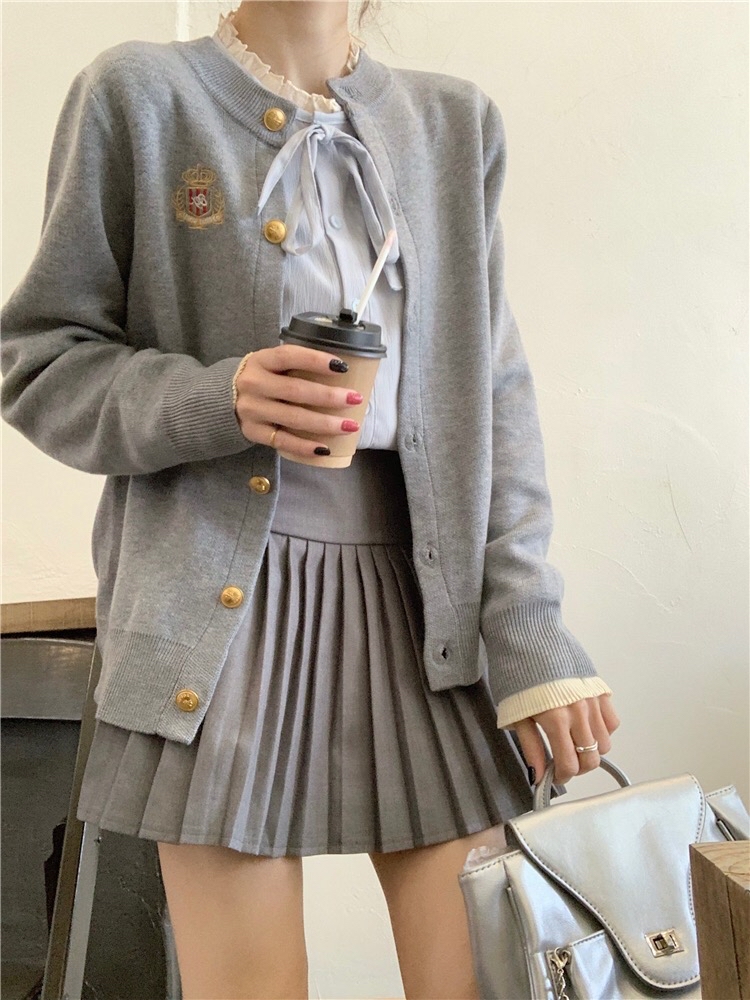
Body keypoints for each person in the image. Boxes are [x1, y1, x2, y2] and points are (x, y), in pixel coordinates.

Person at [0, 1, 620, 996]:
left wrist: (529, 627)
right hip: (214, 623)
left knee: (490, 982)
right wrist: (220, 398)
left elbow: (495, 398)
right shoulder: (139, 96)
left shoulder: (455, 124)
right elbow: (40, 364)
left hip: (425, 616)